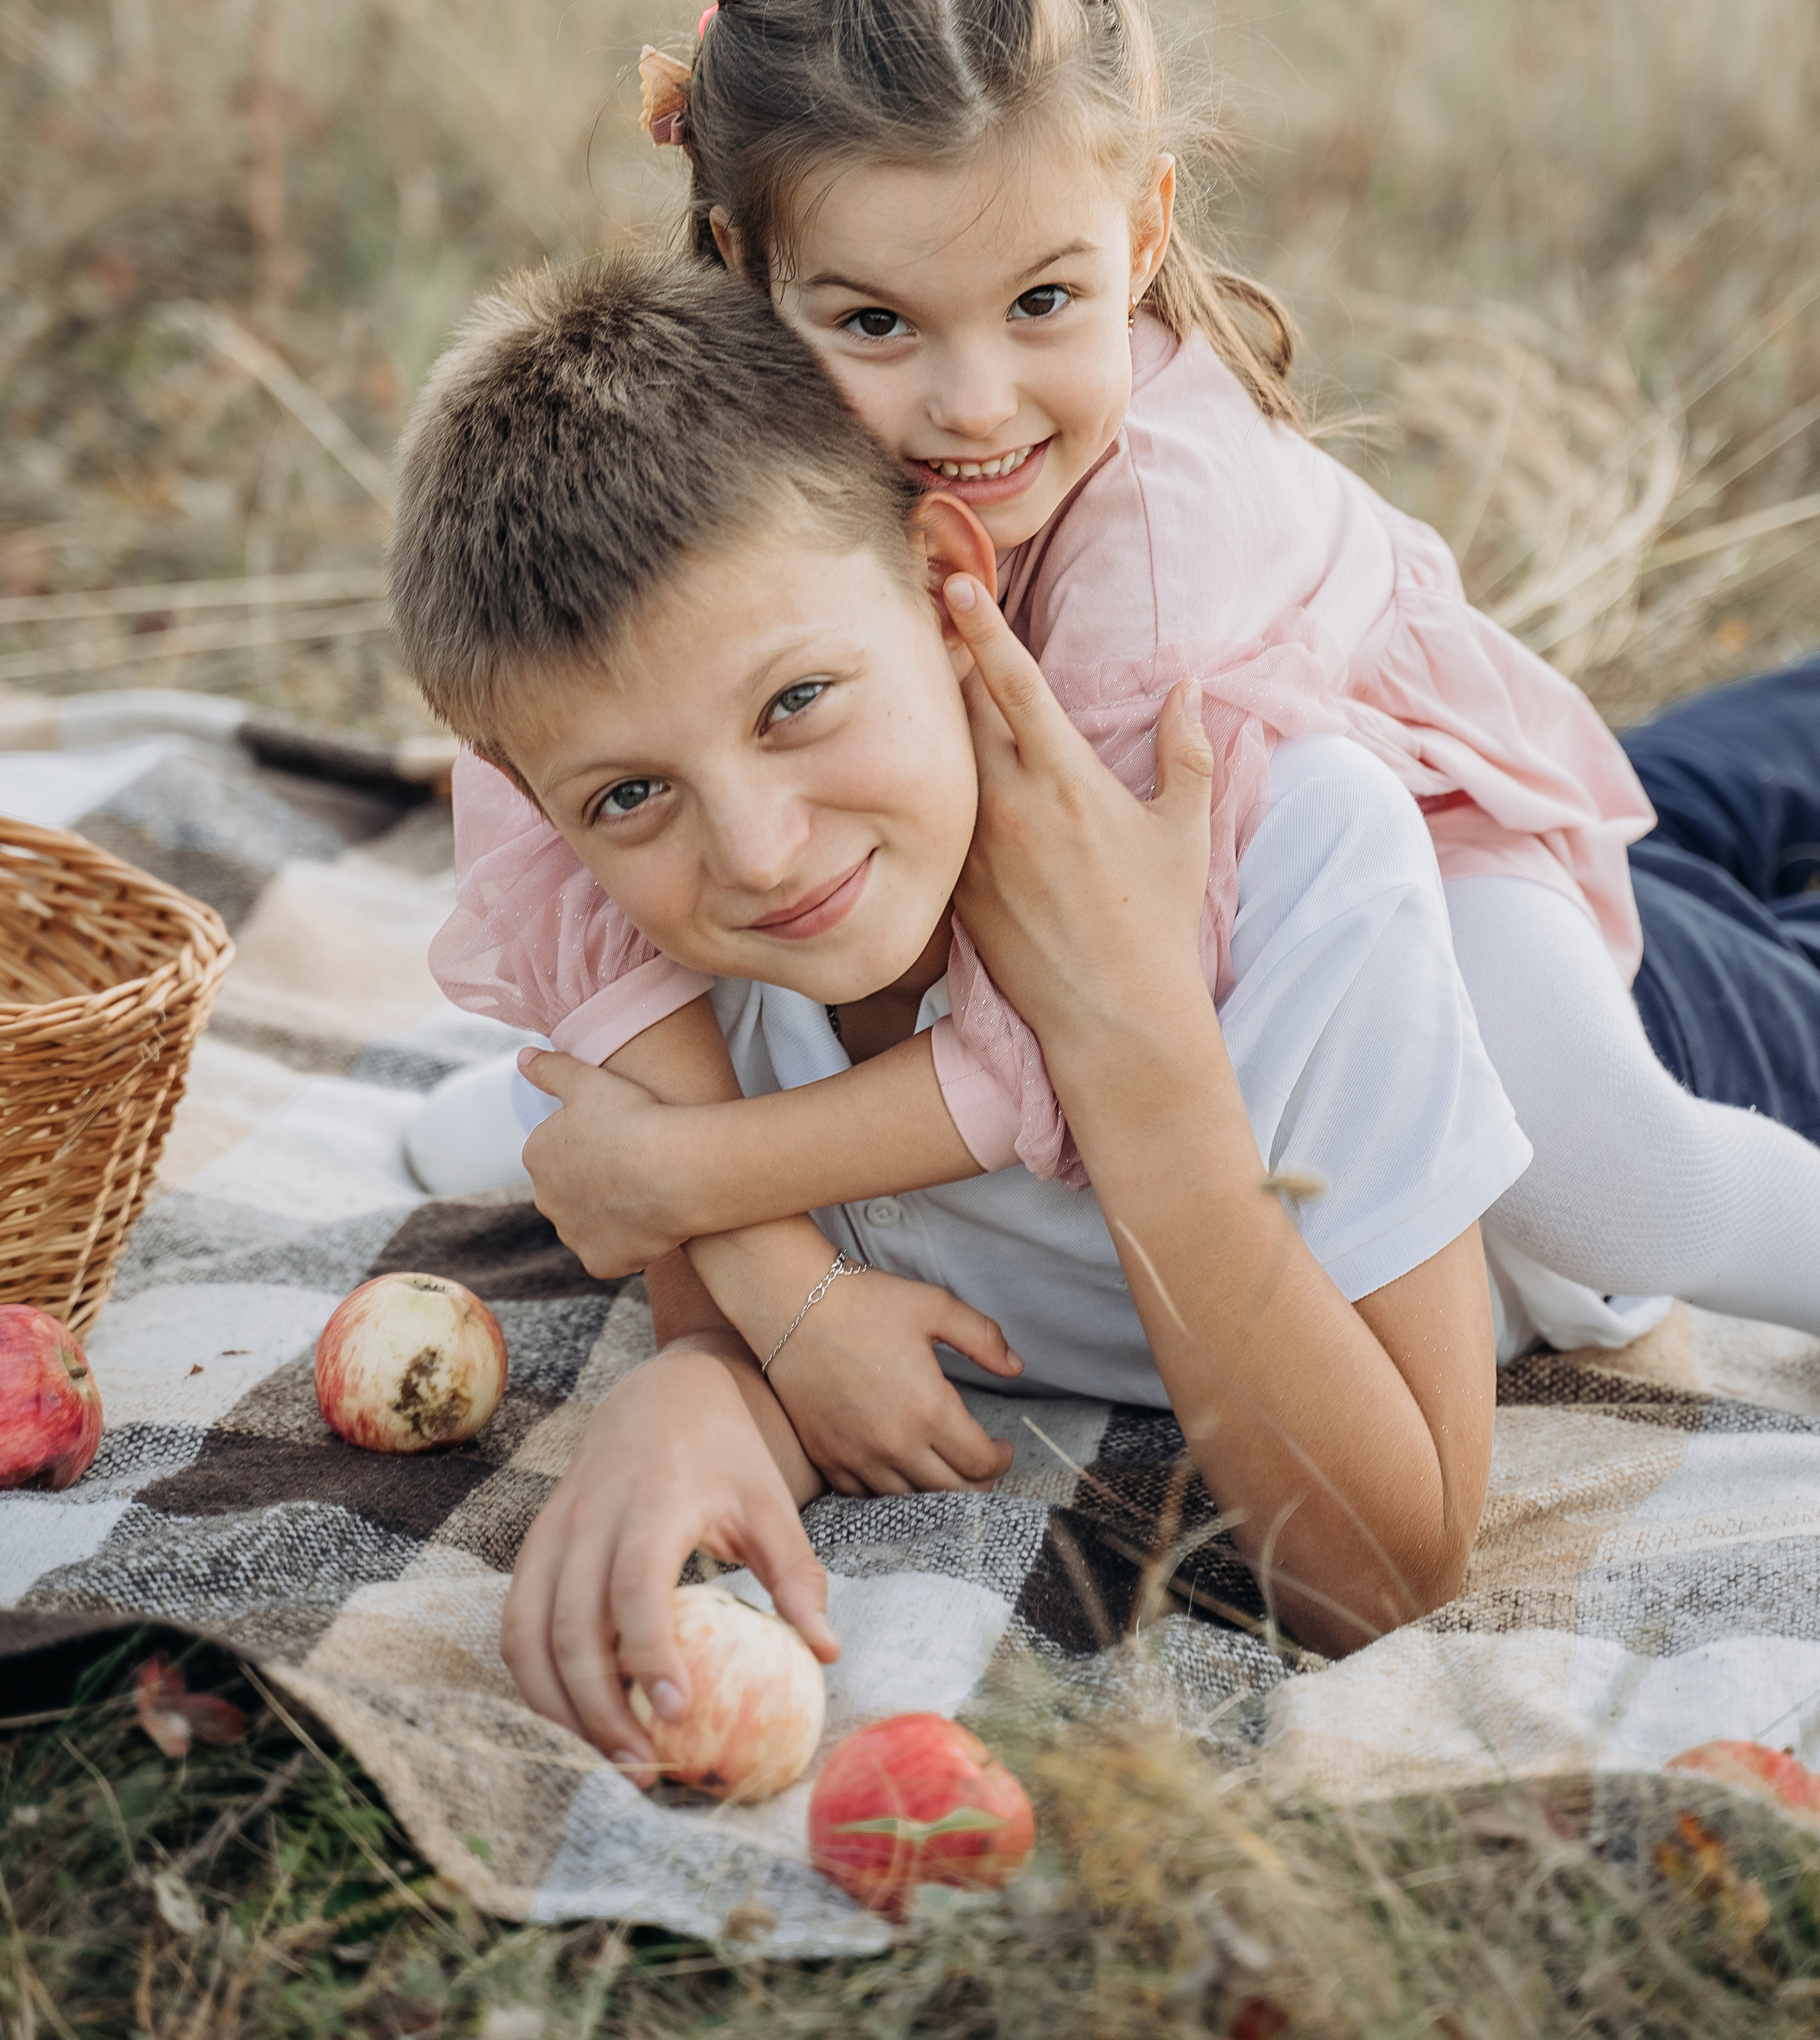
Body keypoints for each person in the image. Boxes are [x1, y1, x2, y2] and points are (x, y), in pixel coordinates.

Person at [424, 0, 1820, 1370]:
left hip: (1413, 825)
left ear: (1144, 231)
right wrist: (662, 1124)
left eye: (1041, 301)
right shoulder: (707, 432)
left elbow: (1076, 1012)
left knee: (1617, 1189)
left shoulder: (1150, 559)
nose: (975, 407)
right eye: (877, 323)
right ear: (741, 265)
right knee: (521, 1098)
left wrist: (697, 1173)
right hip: (1280, 781)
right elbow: (535, 761)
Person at [388, 247, 1533, 1749]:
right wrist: (683, 1409)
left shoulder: (1295, 854)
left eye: (797, 703)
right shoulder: (656, 949)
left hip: (1549, 976)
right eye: (627, 796)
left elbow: (1387, 1576)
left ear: (945, 587)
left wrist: (1133, 1049)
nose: (759, 853)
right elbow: (752, 1341)